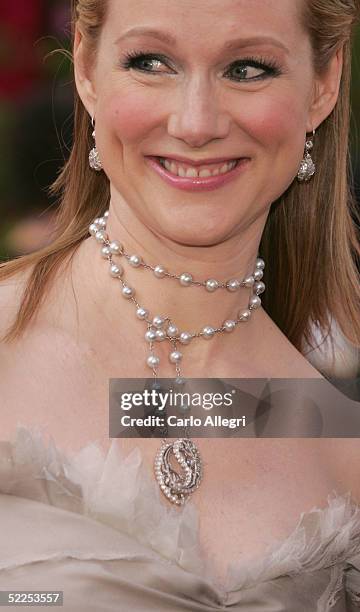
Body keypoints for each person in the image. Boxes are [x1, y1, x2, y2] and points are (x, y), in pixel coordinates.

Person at [0, 0, 360, 609]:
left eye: (248, 68)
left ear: (324, 84)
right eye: (151, 62)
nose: (196, 123)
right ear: (85, 68)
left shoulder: (337, 443)